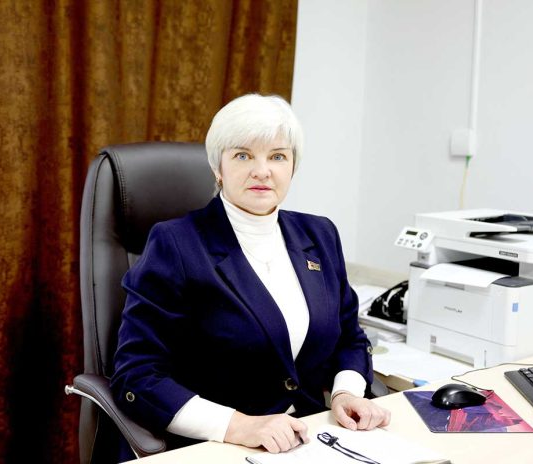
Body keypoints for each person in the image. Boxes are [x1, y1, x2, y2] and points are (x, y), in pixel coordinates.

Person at [110, 94, 390, 455]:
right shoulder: (175, 243)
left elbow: (349, 337)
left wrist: (345, 393)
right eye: (243, 156)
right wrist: (239, 426)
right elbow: (137, 374)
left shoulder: (319, 235)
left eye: (277, 156)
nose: (262, 171)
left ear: (292, 166)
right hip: (213, 446)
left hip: (309, 440)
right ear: (218, 167)